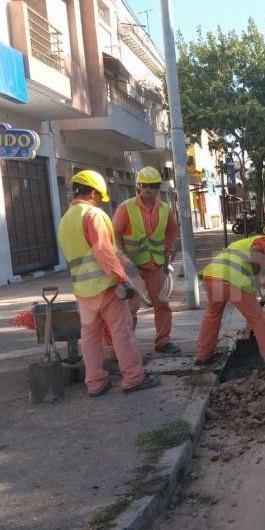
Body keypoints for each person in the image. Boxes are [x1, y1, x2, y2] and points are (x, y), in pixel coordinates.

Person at [57, 170, 160, 396]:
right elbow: (103, 250)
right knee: (121, 331)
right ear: (94, 193)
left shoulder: (65, 219)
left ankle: (95, 382)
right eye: (99, 197)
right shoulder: (93, 215)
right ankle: (133, 377)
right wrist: (123, 279)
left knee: (90, 336)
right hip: (105, 286)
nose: (99, 202)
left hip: (82, 290)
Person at [194, 223, 265, 373]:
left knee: (212, 316)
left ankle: (203, 356)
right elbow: (255, 252)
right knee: (260, 321)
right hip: (232, 281)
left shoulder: (245, 242)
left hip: (211, 276)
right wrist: (262, 276)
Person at [112, 166, 180, 354]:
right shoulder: (125, 208)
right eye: (144, 185)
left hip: (155, 265)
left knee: (162, 304)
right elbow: (114, 237)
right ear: (139, 186)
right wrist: (124, 261)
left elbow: (172, 232)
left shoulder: (165, 210)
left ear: (158, 187)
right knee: (131, 307)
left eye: (152, 185)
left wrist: (167, 253)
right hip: (132, 267)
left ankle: (163, 341)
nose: (148, 189)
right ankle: (125, 348)